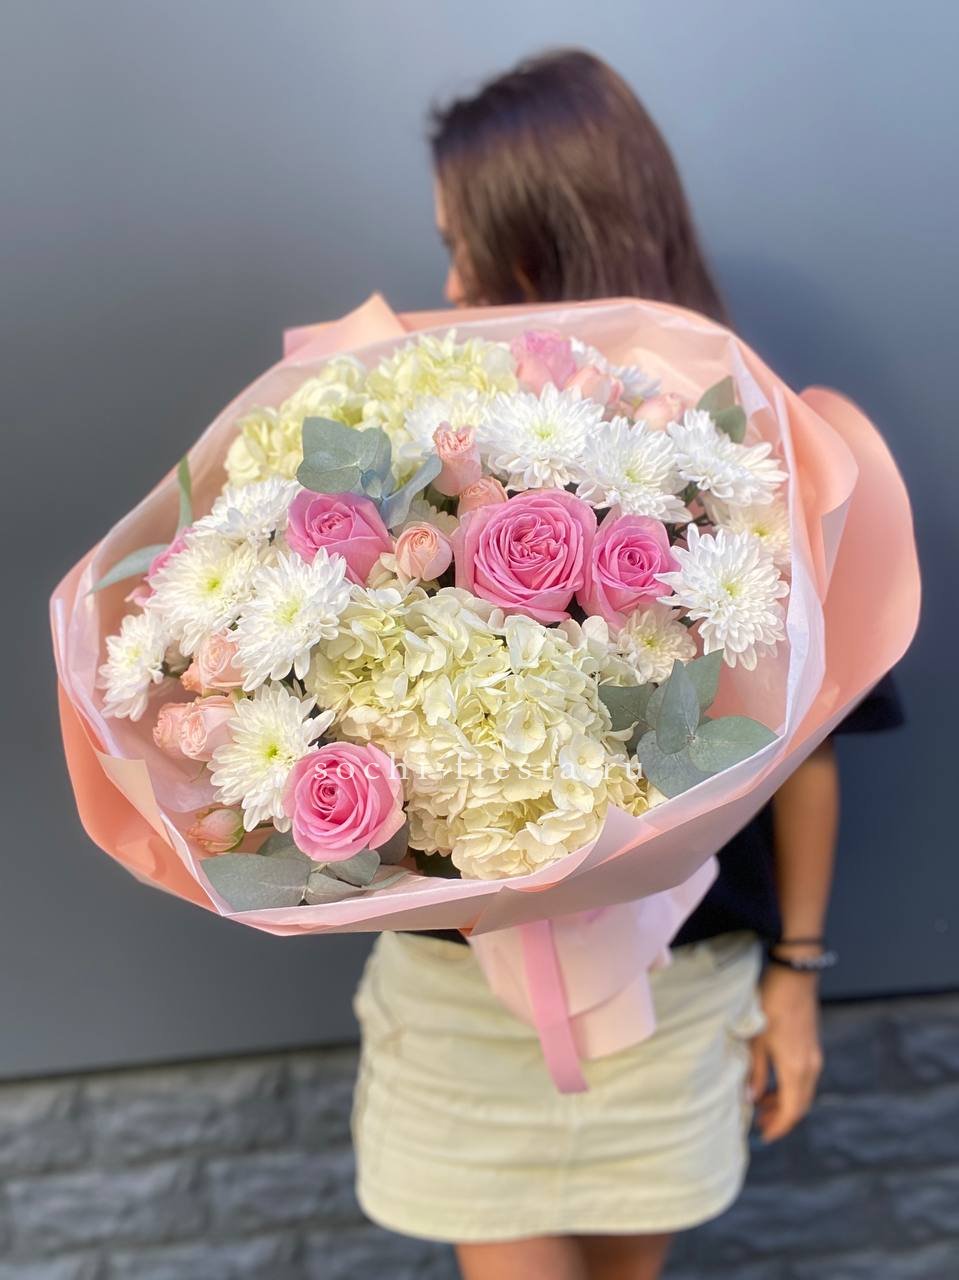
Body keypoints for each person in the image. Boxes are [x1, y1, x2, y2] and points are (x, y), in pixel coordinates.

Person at [350, 49, 904, 1280]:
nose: (448, 282)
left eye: (464, 244)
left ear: (542, 240)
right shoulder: (417, 444)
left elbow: (809, 749)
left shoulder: (744, 452)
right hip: (464, 1005)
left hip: (678, 985)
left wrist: (797, 975)